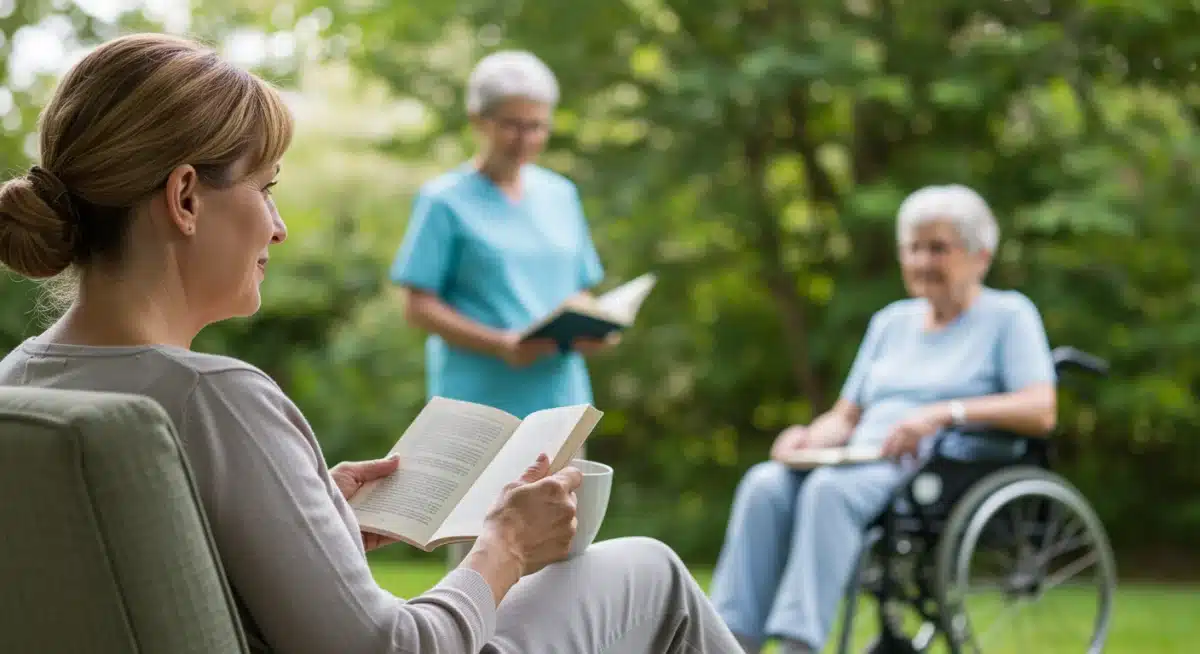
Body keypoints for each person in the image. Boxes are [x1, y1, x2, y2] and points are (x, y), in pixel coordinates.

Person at [0, 33, 742, 654]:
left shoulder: (18, 387)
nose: (278, 226)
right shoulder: (214, 399)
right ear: (186, 198)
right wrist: (504, 545)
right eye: (266, 188)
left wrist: (311, 519)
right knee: (650, 571)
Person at [708, 184, 1059, 654]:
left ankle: (798, 644)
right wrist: (806, 439)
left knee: (827, 493)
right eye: (912, 248)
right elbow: (845, 415)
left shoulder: (1009, 315)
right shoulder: (891, 322)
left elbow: (1041, 410)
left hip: (939, 462)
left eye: (938, 248)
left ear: (981, 256)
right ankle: (730, 641)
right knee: (765, 483)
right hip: (862, 452)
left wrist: (941, 414)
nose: (921, 261)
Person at [391, 49, 616, 567]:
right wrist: (502, 344)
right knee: (482, 555)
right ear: (479, 121)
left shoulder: (561, 195)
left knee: (562, 554)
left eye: (537, 127)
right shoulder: (444, 200)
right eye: (513, 125)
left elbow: (578, 289)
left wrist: (594, 326)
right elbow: (418, 305)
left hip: (559, 400)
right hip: (479, 404)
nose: (526, 139)